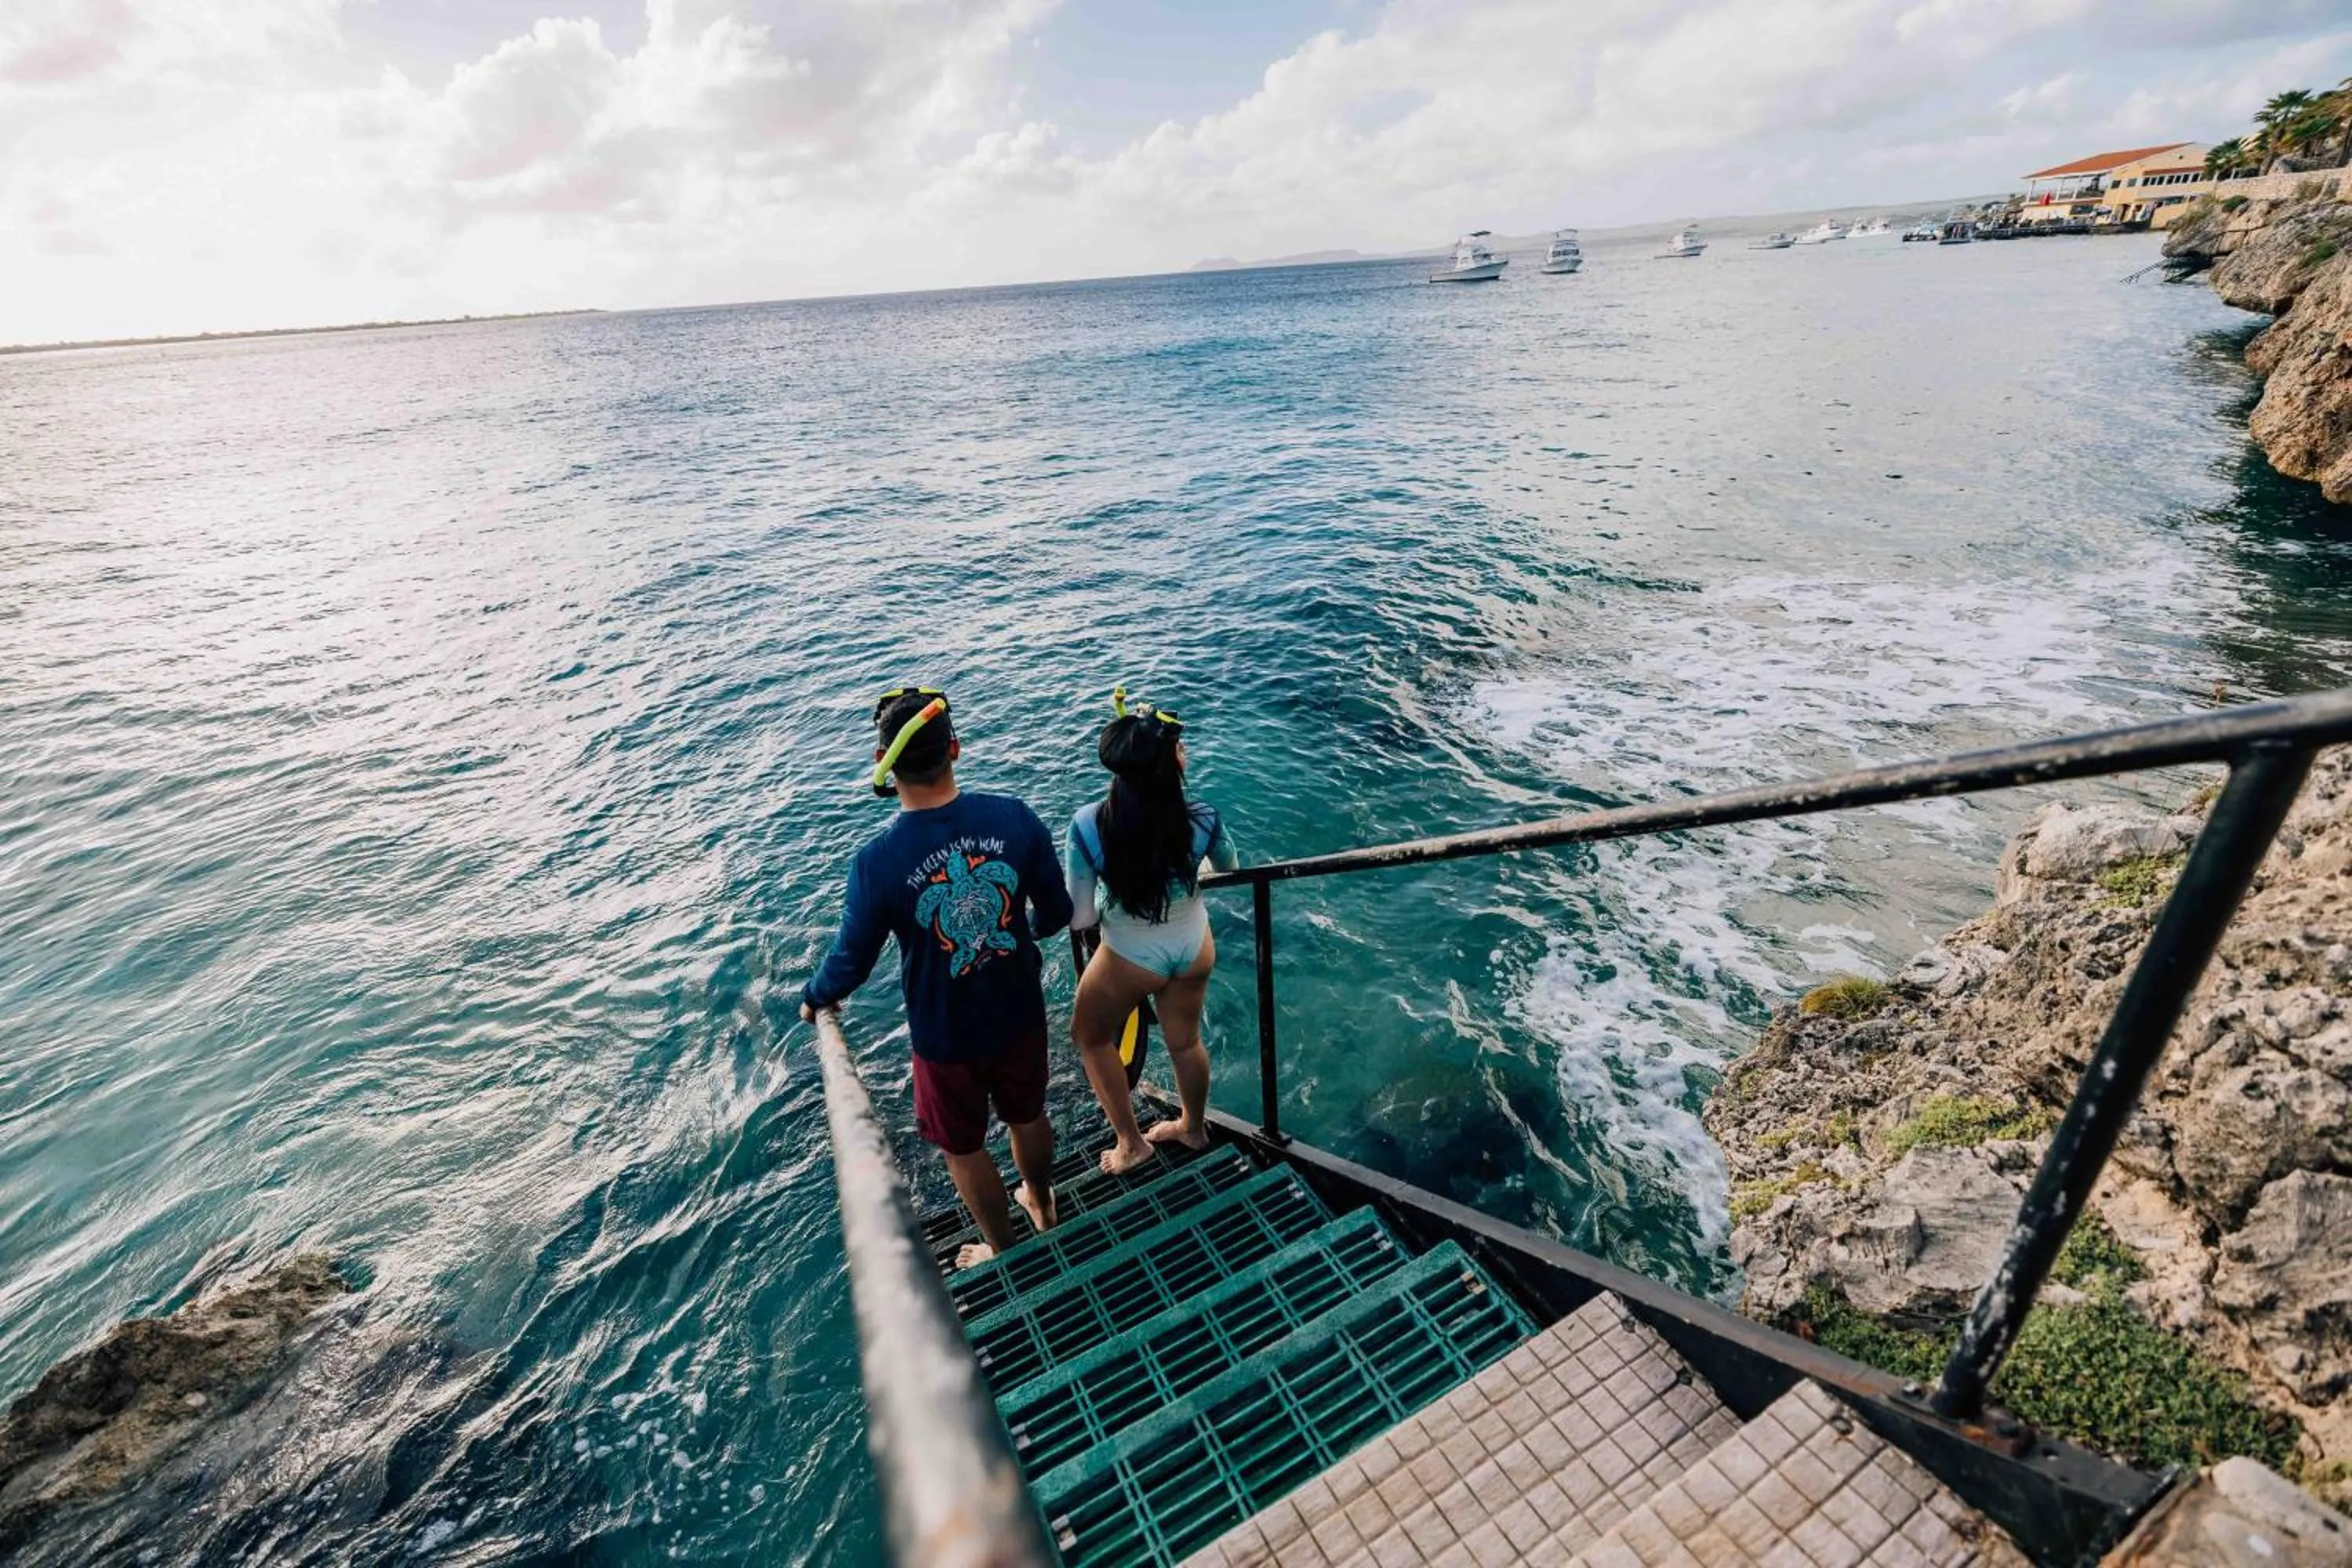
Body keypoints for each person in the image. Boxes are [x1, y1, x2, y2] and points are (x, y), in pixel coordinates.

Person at [800, 687, 1074, 1266]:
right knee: (1029, 1115)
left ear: (885, 765)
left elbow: (851, 960)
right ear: (955, 747)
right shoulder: (1015, 818)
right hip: (1019, 1010)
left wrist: (815, 996)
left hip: (946, 1037)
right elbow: (1055, 913)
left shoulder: (877, 863)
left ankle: (1003, 1249)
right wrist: (1014, 927)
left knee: (964, 1145)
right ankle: (1045, 1208)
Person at [1066, 697, 1239, 1174]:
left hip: (1129, 955)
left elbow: (1080, 917)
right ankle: (1194, 1128)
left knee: (1090, 1035)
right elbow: (1229, 868)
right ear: (1173, 762)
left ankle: (1131, 1144)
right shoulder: (1203, 816)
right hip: (1194, 944)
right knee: (1185, 1043)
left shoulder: (1087, 824)